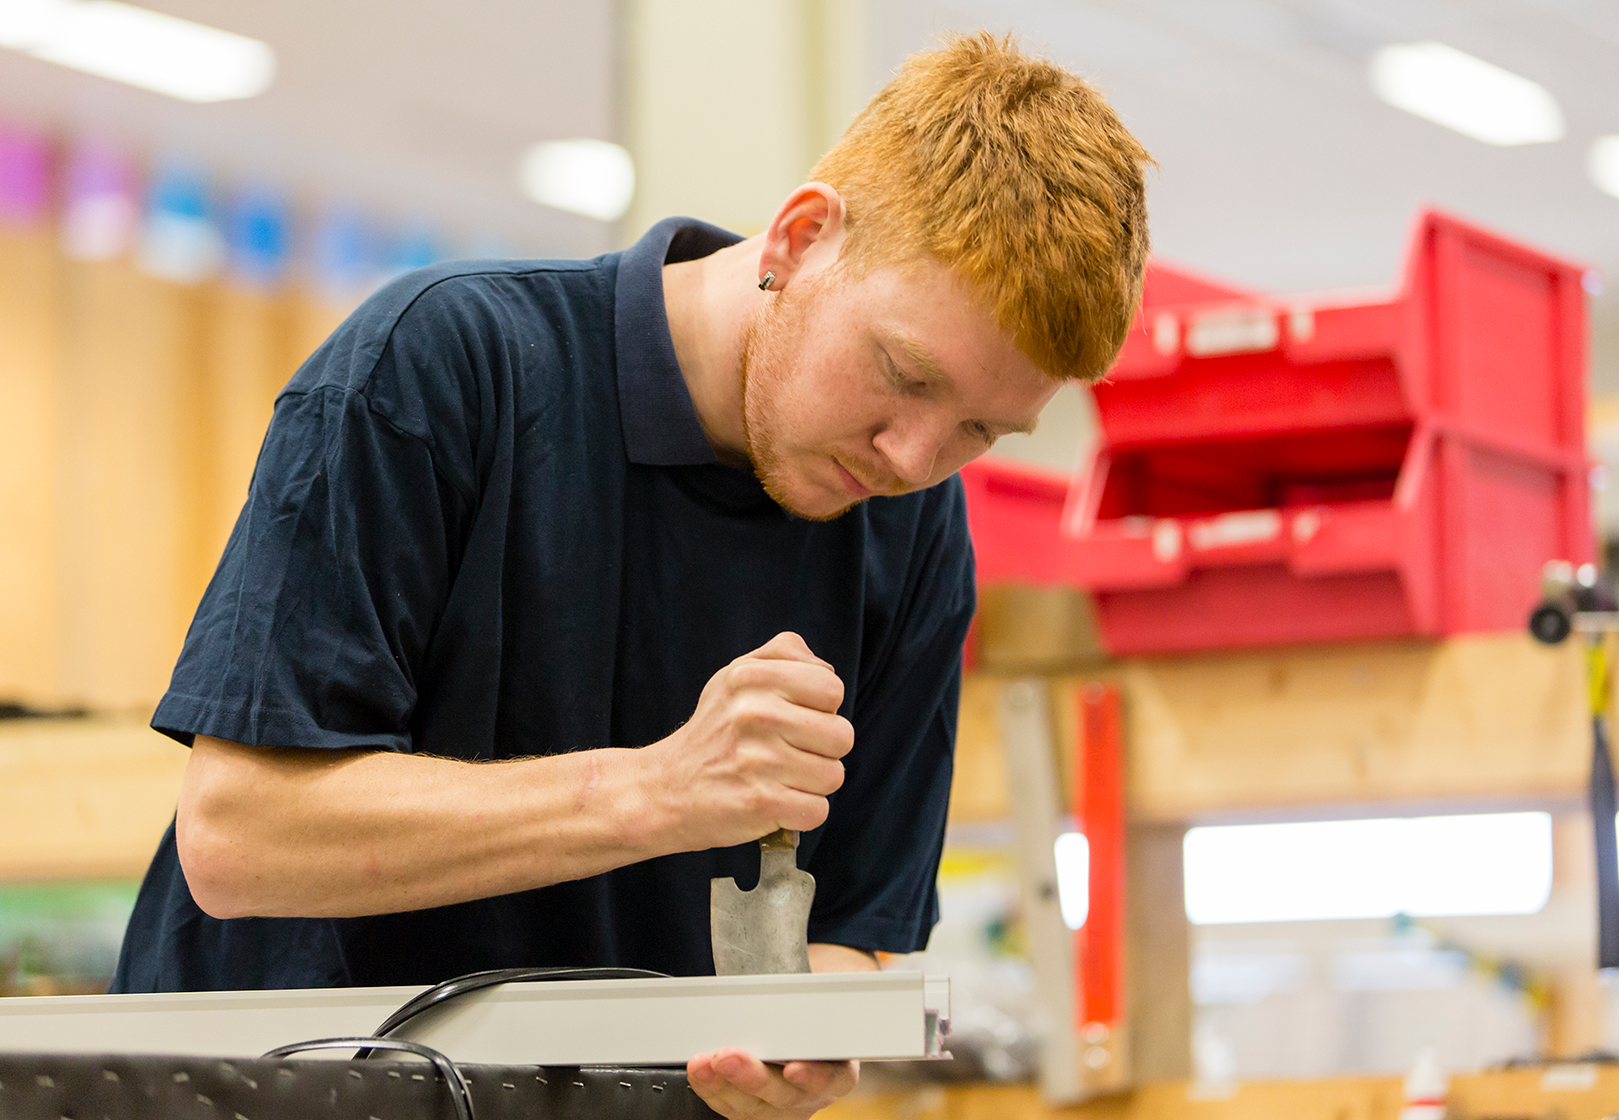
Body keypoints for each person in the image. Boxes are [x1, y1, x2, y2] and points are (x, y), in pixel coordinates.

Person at [111, 30, 1151, 1120]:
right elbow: (236, 835)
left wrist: (803, 1051)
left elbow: (855, 933)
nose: (910, 458)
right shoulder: (440, 364)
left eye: (981, 428)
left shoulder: (917, 529)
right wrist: (655, 790)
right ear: (800, 237)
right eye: (901, 372)